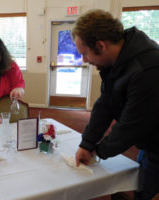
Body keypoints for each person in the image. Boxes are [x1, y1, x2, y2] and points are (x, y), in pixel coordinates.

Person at [72, 9, 159, 200]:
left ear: (101, 45)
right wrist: (86, 143)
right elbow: (105, 106)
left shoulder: (147, 68)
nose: (84, 60)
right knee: (141, 187)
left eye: (85, 54)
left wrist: (96, 151)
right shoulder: (115, 63)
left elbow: (131, 126)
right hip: (148, 142)